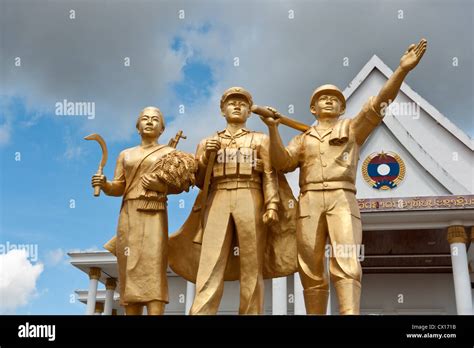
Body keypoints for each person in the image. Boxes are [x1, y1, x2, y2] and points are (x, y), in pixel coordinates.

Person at [259, 39, 427, 314]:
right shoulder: (303, 138)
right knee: (310, 267)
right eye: (321, 98)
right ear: (312, 109)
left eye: (334, 99)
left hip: (341, 197)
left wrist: (402, 70)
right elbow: (282, 162)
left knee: (347, 260)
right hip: (309, 200)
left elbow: (379, 104)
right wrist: (274, 130)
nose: (328, 100)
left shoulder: (352, 129)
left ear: (342, 108)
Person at [92, 106, 195, 315]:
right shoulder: (126, 154)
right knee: (130, 268)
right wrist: (104, 184)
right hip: (129, 213)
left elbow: (181, 184)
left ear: (162, 129)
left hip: (154, 213)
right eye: (145, 119)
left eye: (155, 119)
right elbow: (119, 187)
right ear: (138, 127)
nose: (149, 122)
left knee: (154, 266)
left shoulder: (169, 153)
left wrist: (161, 187)